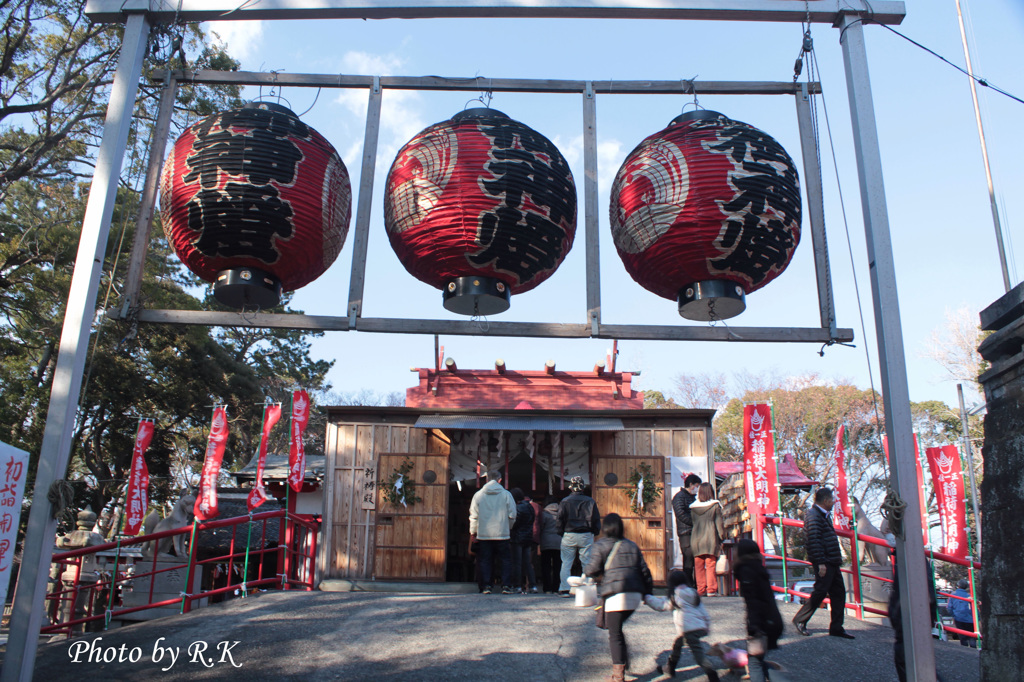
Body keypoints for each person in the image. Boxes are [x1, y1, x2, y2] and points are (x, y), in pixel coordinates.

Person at [585, 513, 655, 682]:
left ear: (605, 528)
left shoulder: (600, 545)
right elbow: (645, 571)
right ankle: (624, 661)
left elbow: (591, 570)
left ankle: (618, 676)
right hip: (635, 596)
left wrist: (595, 571)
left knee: (614, 634)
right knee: (617, 629)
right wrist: (648, 593)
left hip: (616, 595)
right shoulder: (632, 545)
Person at [792, 487, 854, 639]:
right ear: (826, 500)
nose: (833, 502)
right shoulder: (814, 515)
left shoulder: (822, 515)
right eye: (832, 499)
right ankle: (800, 619)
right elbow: (812, 540)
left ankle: (837, 627)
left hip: (831, 560)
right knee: (820, 592)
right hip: (824, 561)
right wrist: (820, 563)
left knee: (838, 593)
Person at [649, 569, 720, 681]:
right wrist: (707, 624)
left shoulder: (675, 596)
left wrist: (647, 598)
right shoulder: (693, 593)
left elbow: (660, 605)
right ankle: (669, 667)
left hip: (688, 630)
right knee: (678, 644)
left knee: (698, 654)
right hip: (700, 627)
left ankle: (711, 673)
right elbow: (703, 610)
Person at [734, 538, 784, 682]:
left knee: (754, 662)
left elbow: (753, 601)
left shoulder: (746, 571)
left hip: (762, 623)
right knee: (760, 661)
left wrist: (754, 627)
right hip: (773, 621)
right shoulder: (759, 568)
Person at [888, 551, 941, 682]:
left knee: (908, 660)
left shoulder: (909, 553)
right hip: (910, 615)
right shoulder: (909, 552)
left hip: (908, 616)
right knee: (914, 661)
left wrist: (895, 613)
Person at [469, 471, 517, 594]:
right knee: (505, 560)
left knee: (485, 560)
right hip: (502, 533)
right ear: (500, 480)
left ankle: (487, 586)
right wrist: (508, 527)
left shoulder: (478, 495)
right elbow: (512, 514)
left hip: (484, 534)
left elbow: (474, 515)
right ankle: (506, 586)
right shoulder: (506, 494)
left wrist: (473, 531)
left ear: (486, 480)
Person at [556, 476, 600, 597]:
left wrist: (561, 532)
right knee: (586, 562)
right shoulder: (590, 501)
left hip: (569, 534)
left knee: (566, 562)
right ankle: (588, 588)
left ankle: (565, 589)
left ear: (571, 488)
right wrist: (594, 532)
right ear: (582, 487)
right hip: (586, 534)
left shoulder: (565, 501)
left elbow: (559, 519)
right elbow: (595, 519)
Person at [690, 482, 725, 597]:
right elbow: (719, 524)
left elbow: (693, 523)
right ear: (711, 492)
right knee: (710, 564)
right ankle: (711, 590)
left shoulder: (693, 507)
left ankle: (700, 589)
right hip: (711, 538)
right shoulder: (715, 506)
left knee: (698, 565)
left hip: (696, 538)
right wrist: (722, 537)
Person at [672, 474, 702, 584]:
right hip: (685, 533)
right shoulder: (679, 497)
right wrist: (694, 522)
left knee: (694, 560)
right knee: (688, 559)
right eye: (697, 486)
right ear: (691, 484)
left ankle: (693, 584)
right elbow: (680, 514)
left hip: (693, 532)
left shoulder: (691, 497)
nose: (697, 489)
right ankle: (688, 584)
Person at [510, 488, 537, 594]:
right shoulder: (531, 507)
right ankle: (533, 585)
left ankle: (517, 586)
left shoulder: (518, 508)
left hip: (518, 537)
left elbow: (515, 524)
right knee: (528, 563)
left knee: (517, 563)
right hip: (528, 537)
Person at [539, 495, 562, 593]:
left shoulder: (544, 514)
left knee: (546, 566)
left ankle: (547, 588)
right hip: (559, 542)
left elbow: (541, 526)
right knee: (558, 567)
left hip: (546, 542)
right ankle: (556, 587)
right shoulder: (561, 514)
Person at [947, 578, 976, 648]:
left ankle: (966, 652)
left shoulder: (953, 595)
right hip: (970, 619)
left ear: (958, 586)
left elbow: (949, 608)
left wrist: (954, 615)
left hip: (959, 619)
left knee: (963, 638)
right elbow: (975, 609)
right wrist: (977, 618)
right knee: (972, 637)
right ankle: (974, 652)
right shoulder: (969, 596)